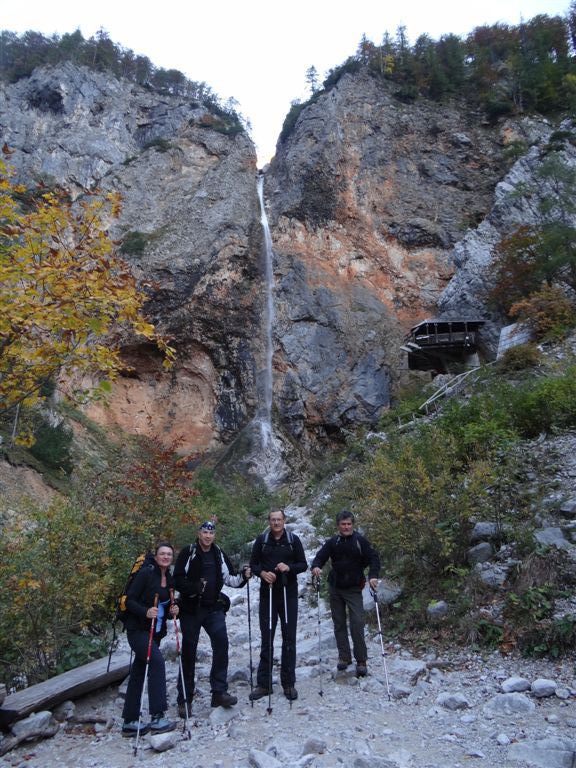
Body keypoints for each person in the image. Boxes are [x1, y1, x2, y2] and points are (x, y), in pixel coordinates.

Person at [173, 520, 249, 714]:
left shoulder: (218, 554)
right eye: (205, 532)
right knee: (189, 652)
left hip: (213, 608)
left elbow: (230, 578)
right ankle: (184, 699)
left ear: (214, 535)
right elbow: (177, 580)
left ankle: (219, 692)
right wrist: (194, 588)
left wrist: (244, 576)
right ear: (199, 533)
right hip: (190, 609)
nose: (208, 536)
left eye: (211, 533)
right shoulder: (188, 553)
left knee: (222, 643)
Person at [311, 510, 380, 677]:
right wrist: (316, 566)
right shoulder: (332, 542)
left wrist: (373, 576)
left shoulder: (360, 541)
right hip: (335, 587)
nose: (346, 527)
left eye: (349, 524)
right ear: (338, 526)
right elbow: (320, 557)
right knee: (339, 623)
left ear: (353, 525)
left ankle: (361, 660)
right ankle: (344, 657)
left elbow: (374, 558)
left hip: (354, 587)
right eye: (343, 524)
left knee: (357, 622)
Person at [249, 509, 307, 701]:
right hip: (268, 594)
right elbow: (253, 565)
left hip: (288, 593)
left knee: (289, 638)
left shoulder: (293, 540)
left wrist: (289, 568)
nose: (276, 523)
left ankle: (288, 683)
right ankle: (264, 684)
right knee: (267, 637)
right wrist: (262, 573)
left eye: (279, 519)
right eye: (273, 520)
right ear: (269, 521)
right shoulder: (262, 540)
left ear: (284, 521)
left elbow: (303, 564)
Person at [121, 541, 178, 737]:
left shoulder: (169, 579)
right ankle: (158, 716)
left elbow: (165, 609)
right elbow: (129, 601)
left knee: (138, 671)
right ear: (156, 556)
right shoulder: (146, 574)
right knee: (157, 662)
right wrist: (145, 612)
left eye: (169, 555)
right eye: (162, 554)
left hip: (155, 633)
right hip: (137, 631)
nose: (165, 557)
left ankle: (129, 721)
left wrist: (173, 610)